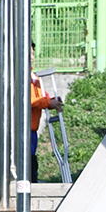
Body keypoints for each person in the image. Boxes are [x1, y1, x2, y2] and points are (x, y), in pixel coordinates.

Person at [29, 49, 64, 184]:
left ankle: (32, 179)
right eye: (29, 54)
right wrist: (49, 102)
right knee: (28, 157)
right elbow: (30, 100)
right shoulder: (22, 76)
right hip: (24, 126)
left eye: (33, 54)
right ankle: (29, 181)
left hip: (32, 126)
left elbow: (41, 96)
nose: (32, 57)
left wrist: (51, 102)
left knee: (32, 155)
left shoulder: (33, 77)